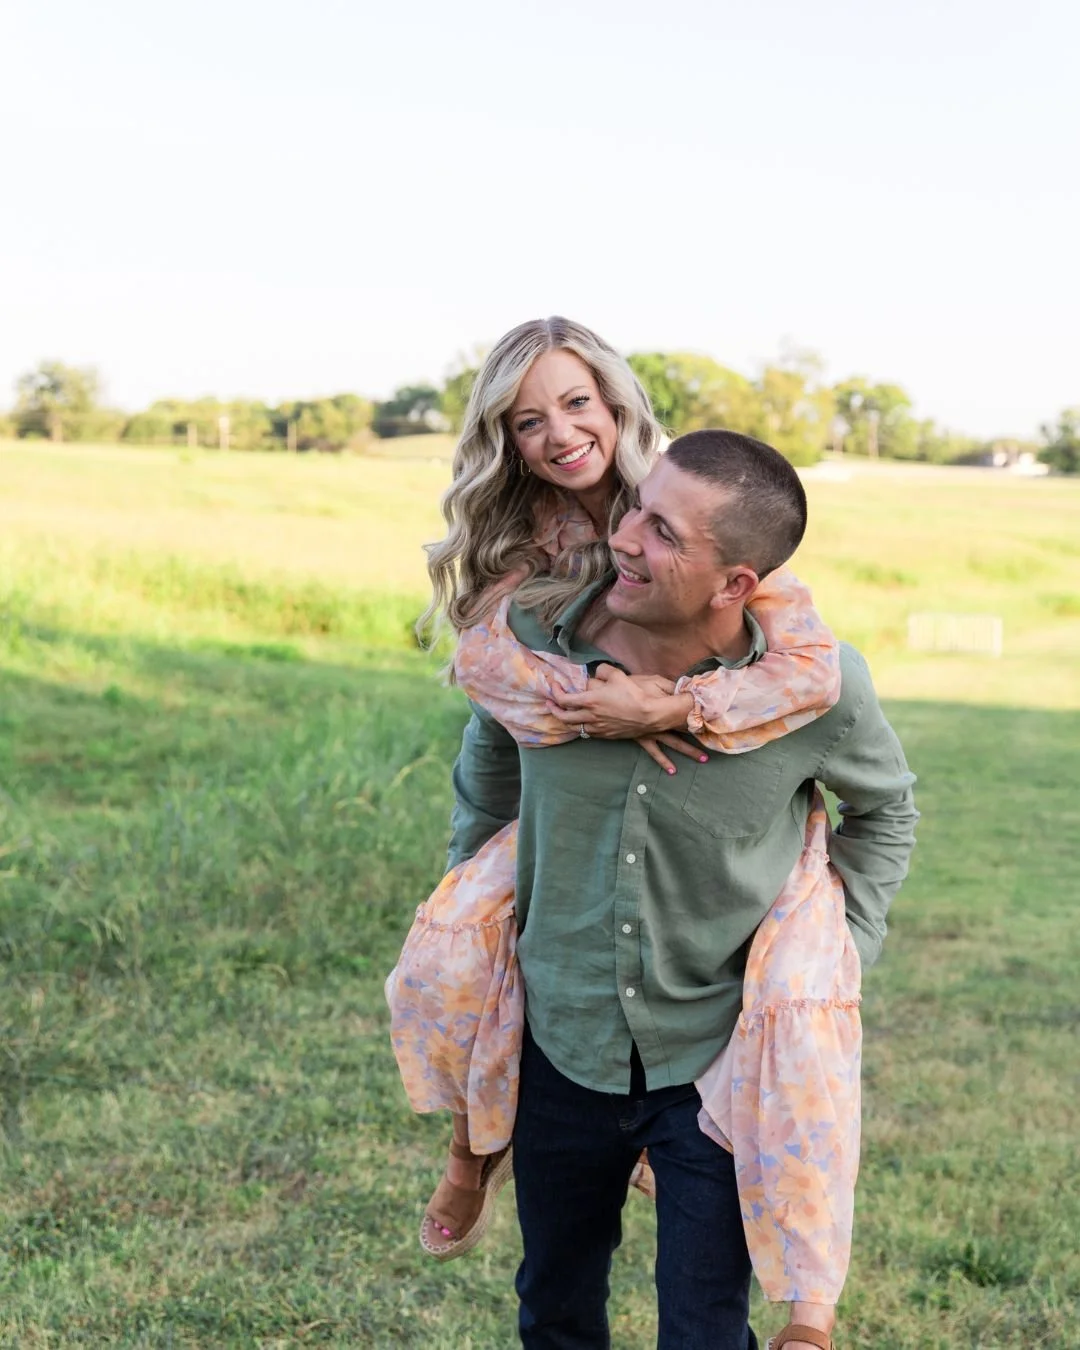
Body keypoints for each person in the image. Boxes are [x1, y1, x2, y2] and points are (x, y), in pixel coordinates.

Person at [429, 430, 918, 1349]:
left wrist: (842, 947)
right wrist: (473, 907)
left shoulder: (814, 689)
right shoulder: (535, 650)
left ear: (737, 582)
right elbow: (489, 769)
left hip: (716, 1062)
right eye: (637, 507)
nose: (624, 536)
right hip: (559, 1045)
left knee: (705, 1327)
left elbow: (886, 813)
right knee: (555, 1306)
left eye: (663, 530)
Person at [402, 319, 843, 1255]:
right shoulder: (527, 538)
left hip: (670, 793)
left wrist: (673, 708)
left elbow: (809, 669)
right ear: (504, 442)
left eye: (574, 403)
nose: (558, 435)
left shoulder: (689, 498)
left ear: (612, 404)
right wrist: (590, 703)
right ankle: (470, 1154)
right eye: (526, 422)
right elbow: (489, 682)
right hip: (556, 786)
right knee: (469, 950)